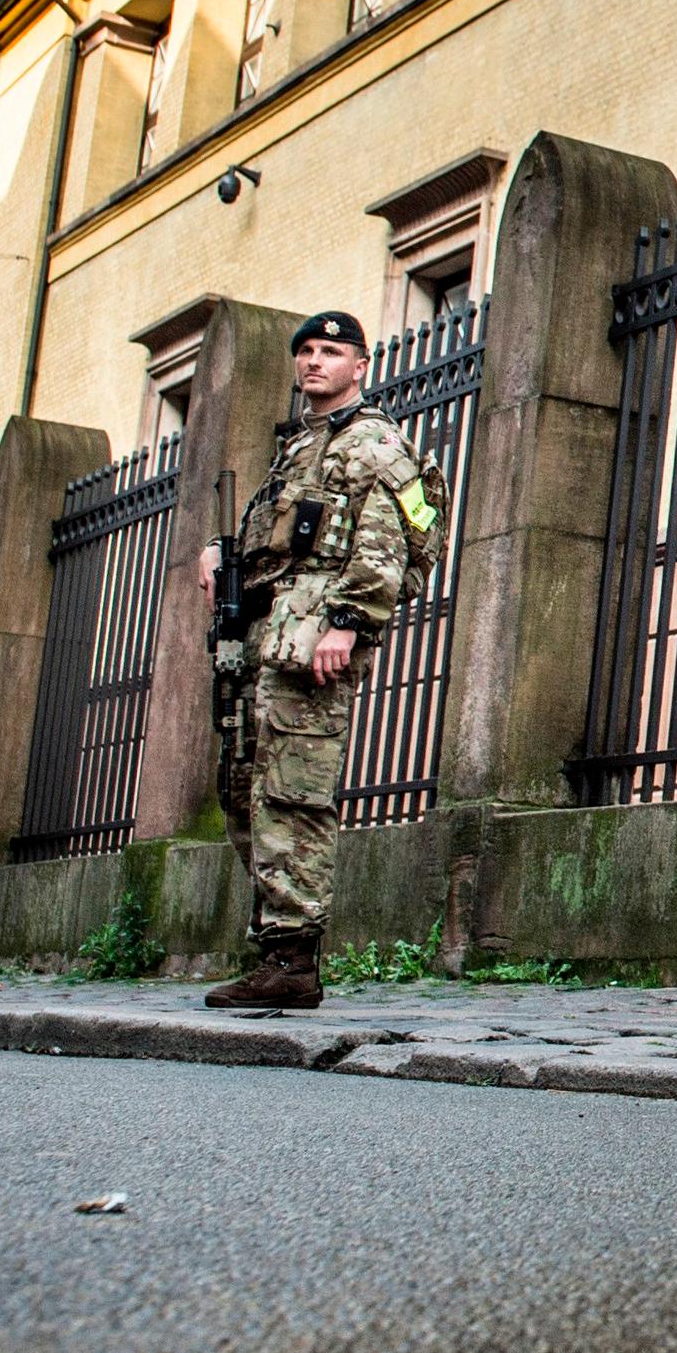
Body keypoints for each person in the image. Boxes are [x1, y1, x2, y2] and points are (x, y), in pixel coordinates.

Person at [199, 311, 437, 1011]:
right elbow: (281, 543)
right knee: (243, 786)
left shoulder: (374, 443)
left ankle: (292, 958)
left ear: (360, 365)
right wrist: (225, 557)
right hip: (268, 638)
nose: (313, 362)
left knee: (291, 792)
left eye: (330, 351)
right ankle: (275, 937)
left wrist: (349, 621)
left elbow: (393, 538)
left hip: (314, 643)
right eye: (305, 351)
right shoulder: (301, 447)